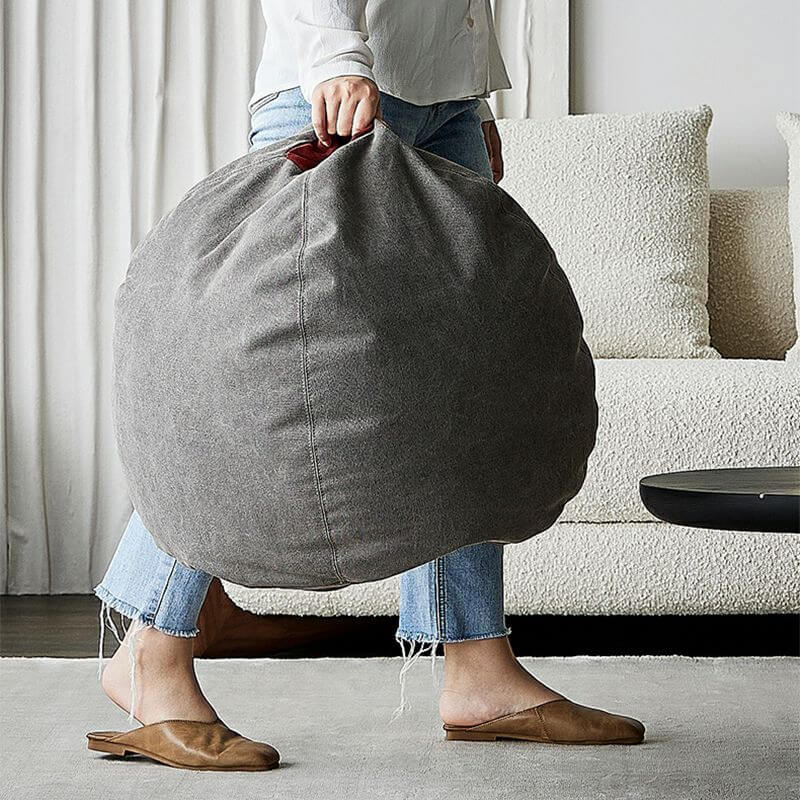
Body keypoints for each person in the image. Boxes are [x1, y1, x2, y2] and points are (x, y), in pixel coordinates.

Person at [86, 1, 645, 772]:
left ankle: (478, 667)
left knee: (461, 380)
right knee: (259, 384)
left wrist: (468, 93)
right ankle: (150, 650)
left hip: (439, 91)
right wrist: (334, 53)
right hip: (336, 81)